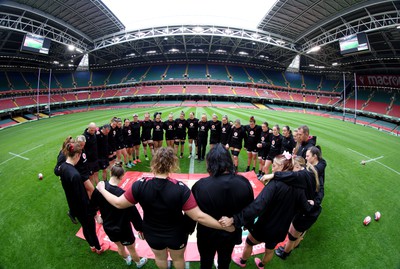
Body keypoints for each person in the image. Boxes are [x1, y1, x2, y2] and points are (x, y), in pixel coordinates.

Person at [96, 147, 234, 269]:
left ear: (154, 163)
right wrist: (222, 226)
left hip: (152, 232)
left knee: (160, 258)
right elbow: (198, 216)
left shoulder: (140, 185)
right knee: (178, 259)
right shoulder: (180, 188)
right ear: (172, 164)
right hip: (176, 233)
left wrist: (102, 189)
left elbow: (119, 203)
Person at [219, 154, 315, 268]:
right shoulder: (299, 188)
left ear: (282, 167)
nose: (272, 168)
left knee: (249, 243)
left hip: (265, 226)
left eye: (274, 165)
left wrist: (236, 219)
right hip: (281, 229)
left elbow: (258, 206)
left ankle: (242, 261)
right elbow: (305, 208)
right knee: (269, 251)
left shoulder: (275, 184)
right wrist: (311, 203)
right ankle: (261, 264)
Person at [192, 144, 254, 269]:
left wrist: (188, 228)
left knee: (206, 262)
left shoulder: (200, 186)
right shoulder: (243, 182)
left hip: (207, 234)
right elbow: (249, 209)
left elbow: (193, 213)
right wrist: (248, 224)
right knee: (224, 262)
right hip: (230, 232)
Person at [260, 152, 321, 260]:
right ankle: (295, 245)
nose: (291, 170)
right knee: (298, 233)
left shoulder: (302, 175)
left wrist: (273, 175)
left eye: (292, 168)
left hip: (305, 213)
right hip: (309, 210)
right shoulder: (309, 173)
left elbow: (293, 176)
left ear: (297, 166)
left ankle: (285, 253)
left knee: (292, 236)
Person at [91, 162, 147, 267]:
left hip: (109, 226)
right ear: (121, 177)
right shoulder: (123, 195)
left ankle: (127, 260)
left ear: (111, 173)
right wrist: (140, 228)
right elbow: (134, 215)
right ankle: (138, 263)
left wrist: (96, 216)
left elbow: (92, 204)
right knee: (131, 248)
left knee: (119, 247)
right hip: (123, 228)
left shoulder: (101, 187)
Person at [59, 142, 103, 254]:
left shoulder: (63, 167)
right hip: (83, 209)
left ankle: (92, 246)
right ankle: (98, 248)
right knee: (91, 230)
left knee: (85, 227)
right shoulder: (75, 175)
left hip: (74, 206)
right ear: (78, 155)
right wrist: (93, 211)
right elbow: (82, 197)